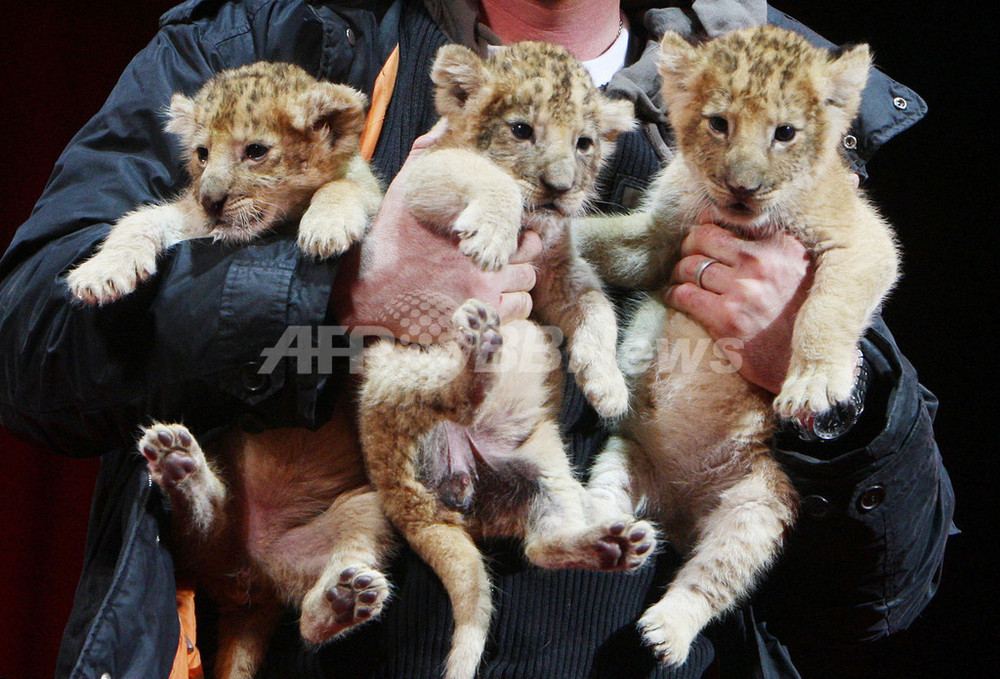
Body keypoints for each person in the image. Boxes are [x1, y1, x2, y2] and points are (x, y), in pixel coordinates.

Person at [0, 1, 954, 678]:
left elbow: (882, 595)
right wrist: (327, 291)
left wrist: (829, 384)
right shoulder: (270, 38)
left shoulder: (782, 100)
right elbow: (30, 338)